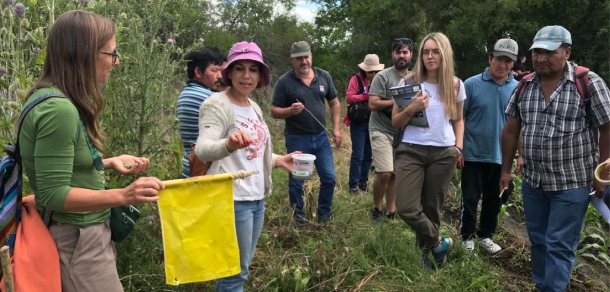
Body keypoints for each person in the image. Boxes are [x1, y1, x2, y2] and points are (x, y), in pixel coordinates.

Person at [18, 10, 164, 291]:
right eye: (112, 53)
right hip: (79, 242)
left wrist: (107, 163)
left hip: (79, 238)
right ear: (85, 54)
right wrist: (124, 195)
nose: (116, 61)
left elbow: (59, 166)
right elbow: (53, 193)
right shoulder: (58, 109)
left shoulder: (46, 96)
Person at [500, 25, 610, 292]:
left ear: (567, 52)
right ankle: (541, 285)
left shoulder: (588, 83)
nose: (541, 58)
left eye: (549, 52)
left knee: (560, 244)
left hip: (572, 182)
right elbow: (511, 130)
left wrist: (603, 173)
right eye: (537, 51)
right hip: (534, 181)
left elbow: (607, 128)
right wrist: (505, 170)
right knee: (538, 240)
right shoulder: (524, 86)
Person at [193, 41, 298, 292]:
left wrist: (278, 160)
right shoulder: (217, 104)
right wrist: (227, 145)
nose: (246, 75)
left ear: (261, 74)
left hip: (256, 198)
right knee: (235, 273)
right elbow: (202, 148)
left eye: (253, 69)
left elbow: (253, 152)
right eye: (239, 68)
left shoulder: (253, 107)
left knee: (242, 267)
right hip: (232, 199)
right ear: (228, 72)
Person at [392, 32, 465, 268]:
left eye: (435, 51)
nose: (430, 56)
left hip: (443, 153)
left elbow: (459, 119)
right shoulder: (408, 83)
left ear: (444, 54)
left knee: (432, 208)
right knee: (406, 207)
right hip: (411, 150)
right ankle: (438, 243)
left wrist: (458, 147)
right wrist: (411, 108)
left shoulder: (455, 85)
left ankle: (427, 257)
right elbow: (396, 122)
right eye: (426, 51)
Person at [271, 41, 341, 223]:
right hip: (297, 139)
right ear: (292, 60)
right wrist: (289, 111)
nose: (304, 61)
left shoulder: (323, 76)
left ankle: (324, 215)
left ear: (311, 56)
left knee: (329, 177)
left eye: (306, 57)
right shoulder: (284, 82)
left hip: (320, 137)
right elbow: (274, 111)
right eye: (299, 58)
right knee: (298, 180)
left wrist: (336, 128)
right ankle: (299, 217)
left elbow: (334, 102)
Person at [460, 38, 519, 254]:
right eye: (499, 59)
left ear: (513, 64)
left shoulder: (518, 89)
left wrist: (519, 156)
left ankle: (486, 236)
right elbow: (460, 117)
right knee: (469, 198)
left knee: (494, 200)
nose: (502, 65)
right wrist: (459, 148)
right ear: (490, 58)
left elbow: (520, 125)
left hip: (501, 156)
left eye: (508, 61)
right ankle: (466, 236)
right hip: (473, 153)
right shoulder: (471, 84)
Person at [367, 38, 413, 221]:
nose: (402, 55)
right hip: (380, 128)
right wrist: (396, 101)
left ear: (410, 55)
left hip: (401, 132)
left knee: (394, 174)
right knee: (384, 172)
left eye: (405, 52)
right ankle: (377, 208)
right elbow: (372, 104)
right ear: (393, 54)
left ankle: (391, 211)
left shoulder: (413, 78)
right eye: (398, 52)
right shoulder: (383, 76)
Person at [176, 46, 225, 178]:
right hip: (206, 170)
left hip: (191, 165)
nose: (220, 76)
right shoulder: (208, 98)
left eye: (221, 70)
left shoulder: (185, 93)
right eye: (214, 70)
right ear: (198, 72)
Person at [343, 54, 384, 194]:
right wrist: (366, 97)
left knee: (369, 154)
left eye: (375, 71)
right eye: (370, 71)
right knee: (358, 154)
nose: (373, 74)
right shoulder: (356, 79)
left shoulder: (380, 80)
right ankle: (352, 185)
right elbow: (349, 98)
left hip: (374, 121)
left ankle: (363, 181)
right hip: (358, 121)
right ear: (364, 70)